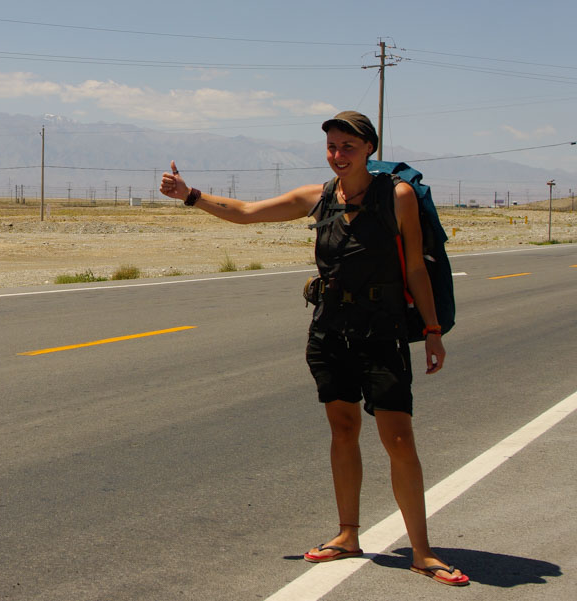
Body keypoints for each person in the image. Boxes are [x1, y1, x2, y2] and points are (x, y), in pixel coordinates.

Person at [159, 111, 468, 587]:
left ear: (369, 147)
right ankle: (347, 534)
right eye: (331, 147)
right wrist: (192, 196)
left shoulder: (397, 196)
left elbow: (416, 269)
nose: (337, 155)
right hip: (330, 330)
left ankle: (422, 551)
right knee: (342, 428)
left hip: (380, 330)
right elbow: (246, 212)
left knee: (398, 439)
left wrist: (432, 330)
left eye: (347, 146)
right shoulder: (319, 198)